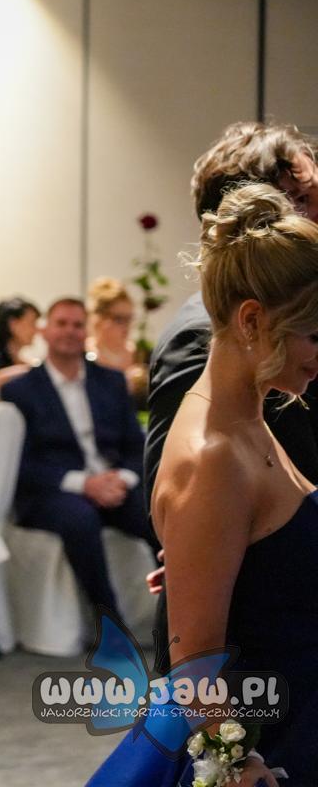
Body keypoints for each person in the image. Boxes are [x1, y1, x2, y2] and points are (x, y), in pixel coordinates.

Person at [89, 184, 318, 786]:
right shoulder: (213, 455)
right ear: (252, 320)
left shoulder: (250, 417)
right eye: (314, 336)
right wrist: (236, 764)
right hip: (277, 737)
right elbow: (193, 665)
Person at [145, 121, 318, 675]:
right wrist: (200, 552)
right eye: (306, 201)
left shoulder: (254, 406)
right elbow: (196, 676)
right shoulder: (205, 358)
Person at [0, 298, 158, 622]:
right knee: (81, 519)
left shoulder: (111, 382)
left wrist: (122, 479)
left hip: (113, 484)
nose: (69, 332)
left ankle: (178, 614)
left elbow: (136, 445)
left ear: (87, 331)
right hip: (55, 491)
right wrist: (84, 484)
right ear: (45, 330)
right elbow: (22, 464)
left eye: (77, 325)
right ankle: (109, 624)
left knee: (158, 513)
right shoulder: (20, 391)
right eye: (61, 323)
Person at [86, 276, 147, 401]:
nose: (127, 326)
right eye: (119, 319)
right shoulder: (84, 355)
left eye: (129, 319)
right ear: (99, 318)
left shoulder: (138, 355)